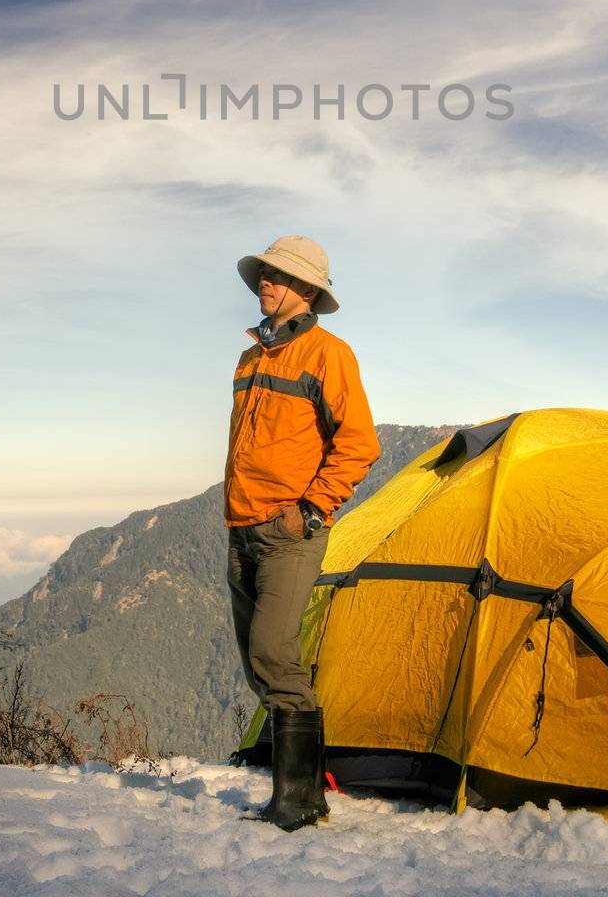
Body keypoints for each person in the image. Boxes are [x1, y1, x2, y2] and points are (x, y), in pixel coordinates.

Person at [225, 234, 379, 830]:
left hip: (289, 532)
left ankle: (296, 803)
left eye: (278, 276)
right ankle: (306, 792)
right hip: (240, 527)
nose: (265, 281)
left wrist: (310, 511)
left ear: (308, 290)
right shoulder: (250, 357)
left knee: (273, 653)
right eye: (264, 272)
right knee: (256, 662)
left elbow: (360, 445)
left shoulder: (328, 354)